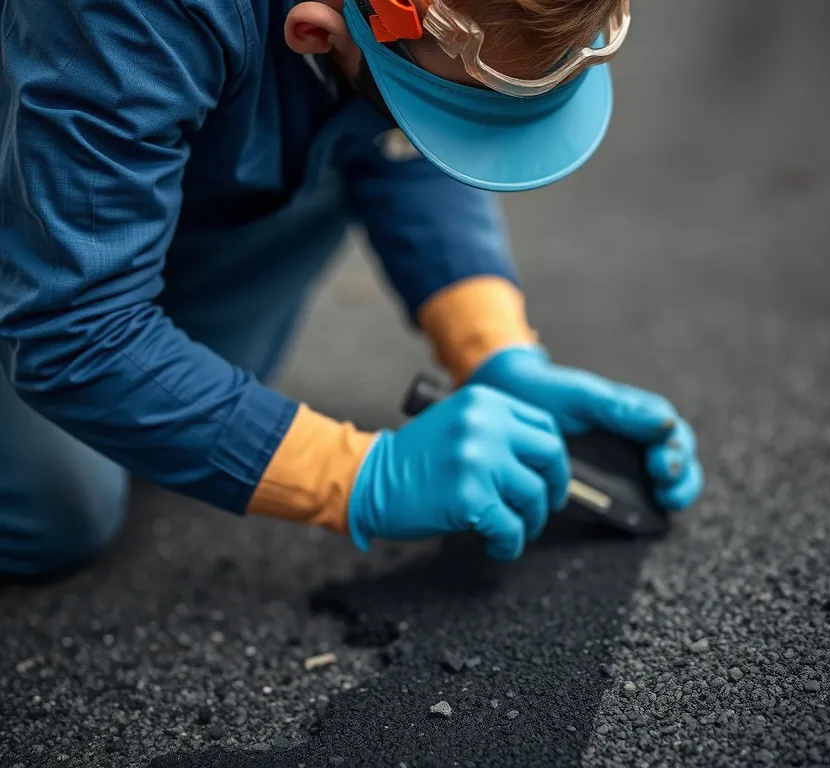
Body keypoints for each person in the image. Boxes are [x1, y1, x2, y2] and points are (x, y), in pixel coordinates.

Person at [0, 0, 703, 578]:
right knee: (59, 509)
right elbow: (78, 328)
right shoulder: (127, 17)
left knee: (181, 400)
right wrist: (357, 475)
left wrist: (496, 351)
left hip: (138, 171)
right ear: (315, 31)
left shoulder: (378, 42)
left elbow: (398, 139)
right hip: (31, 197)